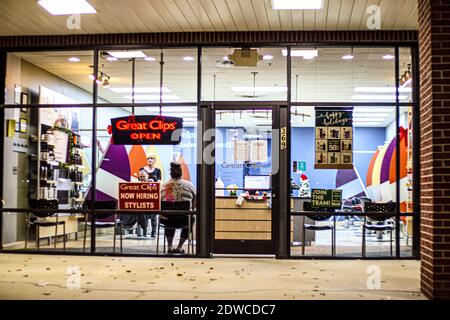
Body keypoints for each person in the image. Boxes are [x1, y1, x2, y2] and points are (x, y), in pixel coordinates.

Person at [160, 162, 196, 254]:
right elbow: (195, 201)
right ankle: (179, 247)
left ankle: (170, 246)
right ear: (181, 173)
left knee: (167, 215)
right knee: (190, 217)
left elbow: (159, 203)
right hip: (184, 219)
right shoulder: (189, 185)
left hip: (167, 219)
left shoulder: (163, 186)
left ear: (170, 173)